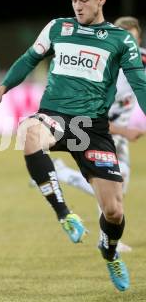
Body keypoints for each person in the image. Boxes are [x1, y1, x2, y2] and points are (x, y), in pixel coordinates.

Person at [0, 0, 146, 292]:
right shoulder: (58, 27)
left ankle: (109, 251)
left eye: (84, 0)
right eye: (73, 0)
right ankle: (65, 214)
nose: (78, 6)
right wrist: (1, 89)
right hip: (55, 115)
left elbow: (140, 83)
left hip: (93, 128)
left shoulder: (119, 38)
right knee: (29, 133)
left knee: (113, 211)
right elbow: (29, 59)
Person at [53, 16, 146, 253]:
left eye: (133, 42)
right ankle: (108, 237)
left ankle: (61, 173)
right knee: (114, 179)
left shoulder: (140, 61)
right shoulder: (97, 69)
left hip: (117, 135)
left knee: (114, 184)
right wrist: (125, 130)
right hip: (96, 131)